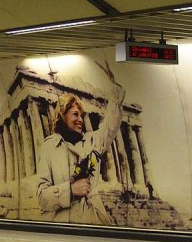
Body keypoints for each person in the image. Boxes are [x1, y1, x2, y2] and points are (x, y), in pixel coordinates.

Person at [36, 61, 125, 225]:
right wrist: (69, 191)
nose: (80, 120)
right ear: (63, 116)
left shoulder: (93, 141)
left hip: (93, 219)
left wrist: (115, 88)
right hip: (64, 223)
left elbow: (111, 126)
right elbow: (42, 198)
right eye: (75, 114)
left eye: (82, 115)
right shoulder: (49, 147)